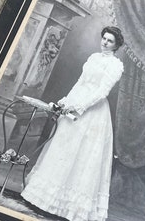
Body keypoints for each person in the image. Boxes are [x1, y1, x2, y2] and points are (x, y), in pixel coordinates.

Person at [21, 26, 125, 221]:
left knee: (81, 156)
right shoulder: (93, 58)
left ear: (116, 45)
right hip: (75, 102)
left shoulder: (116, 65)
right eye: (104, 38)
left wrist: (79, 106)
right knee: (62, 150)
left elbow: (102, 92)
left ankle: (67, 207)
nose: (105, 42)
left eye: (110, 41)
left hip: (92, 112)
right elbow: (80, 82)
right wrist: (66, 101)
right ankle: (43, 199)